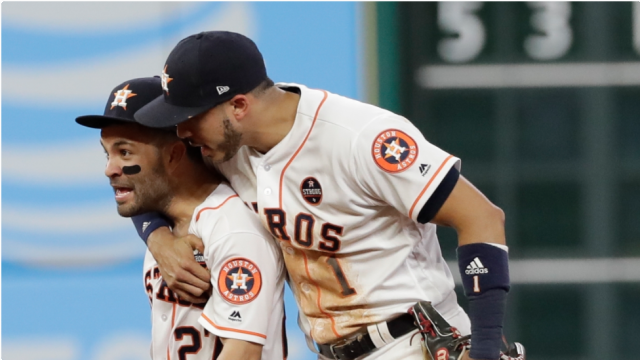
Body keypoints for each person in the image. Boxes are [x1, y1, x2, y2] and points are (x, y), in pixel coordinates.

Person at [133, 31, 518, 360]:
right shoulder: (226, 145)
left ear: (238, 106)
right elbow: (141, 176)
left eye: (189, 117)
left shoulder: (360, 138)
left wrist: (485, 348)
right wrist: (158, 236)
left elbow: (480, 217)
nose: (181, 131)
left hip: (411, 341)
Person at [76, 76, 287, 360]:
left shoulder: (232, 230)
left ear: (174, 155)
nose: (109, 169)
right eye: (107, 154)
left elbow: (244, 354)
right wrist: (156, 235)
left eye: (124, 153)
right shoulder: (164, 223)